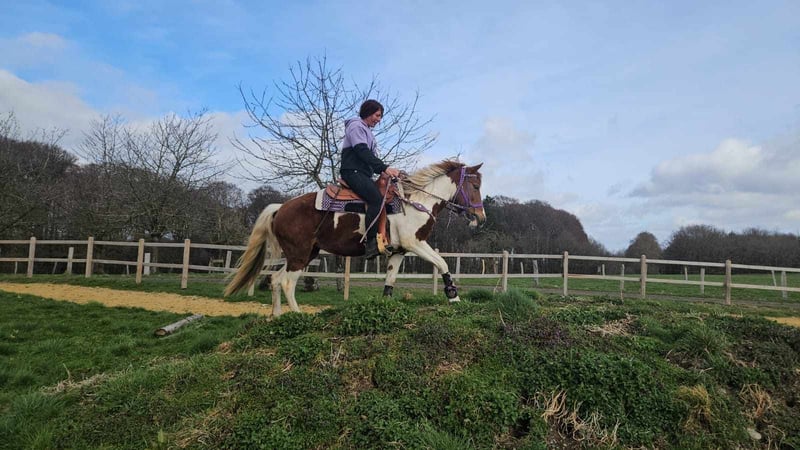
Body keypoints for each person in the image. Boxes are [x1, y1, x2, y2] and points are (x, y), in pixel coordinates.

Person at [340, 99, 401, 259]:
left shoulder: (366, 131)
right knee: (376, 200)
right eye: (377, 115)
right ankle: (371, 243)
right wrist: (384, 167)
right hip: (353, 172)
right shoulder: (356, 126)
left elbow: (369, 159)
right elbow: (362, 152)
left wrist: (382, 172)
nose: (379, 120)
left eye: (380, 116)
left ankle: (385, 237)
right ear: (368, 112)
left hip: (362, 173)